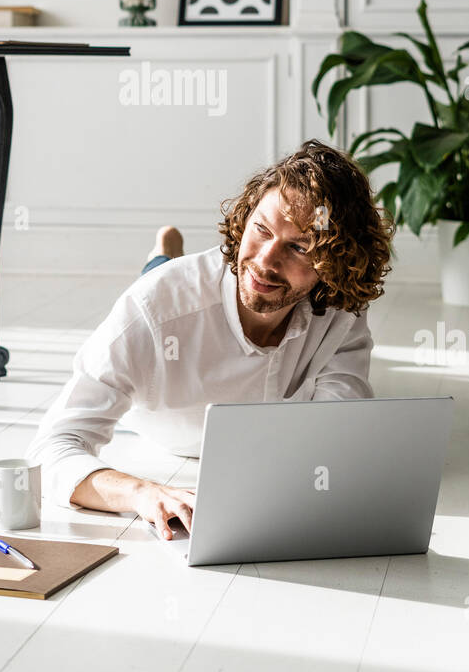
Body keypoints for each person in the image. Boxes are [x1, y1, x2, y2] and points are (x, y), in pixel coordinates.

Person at [28, 139, 395, 539]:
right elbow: (50, 452)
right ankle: (163, 254)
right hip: (167, 425)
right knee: (160, 279)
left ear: (334, 264)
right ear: (246, 215)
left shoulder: (341, 310)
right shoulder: (153, 308)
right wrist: (143, 494)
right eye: (261, 229)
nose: (266, 261)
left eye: (298, 247)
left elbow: (337, 433)